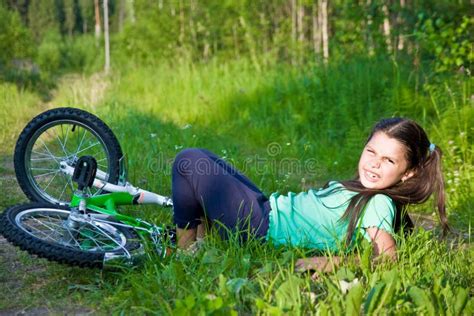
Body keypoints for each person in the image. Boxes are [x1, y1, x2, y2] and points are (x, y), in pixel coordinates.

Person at [170, 117, 448, 273]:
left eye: (389, 161)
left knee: (189, 160)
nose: (374, 163)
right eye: (371, 152)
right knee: (205, 159)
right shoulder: (365, 192)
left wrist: (332, 261)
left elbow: (388, 258)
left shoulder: (378, 202)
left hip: (262, 227)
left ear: (408, 173)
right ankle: (202, 239)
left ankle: (186, 250)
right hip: (265, 210)